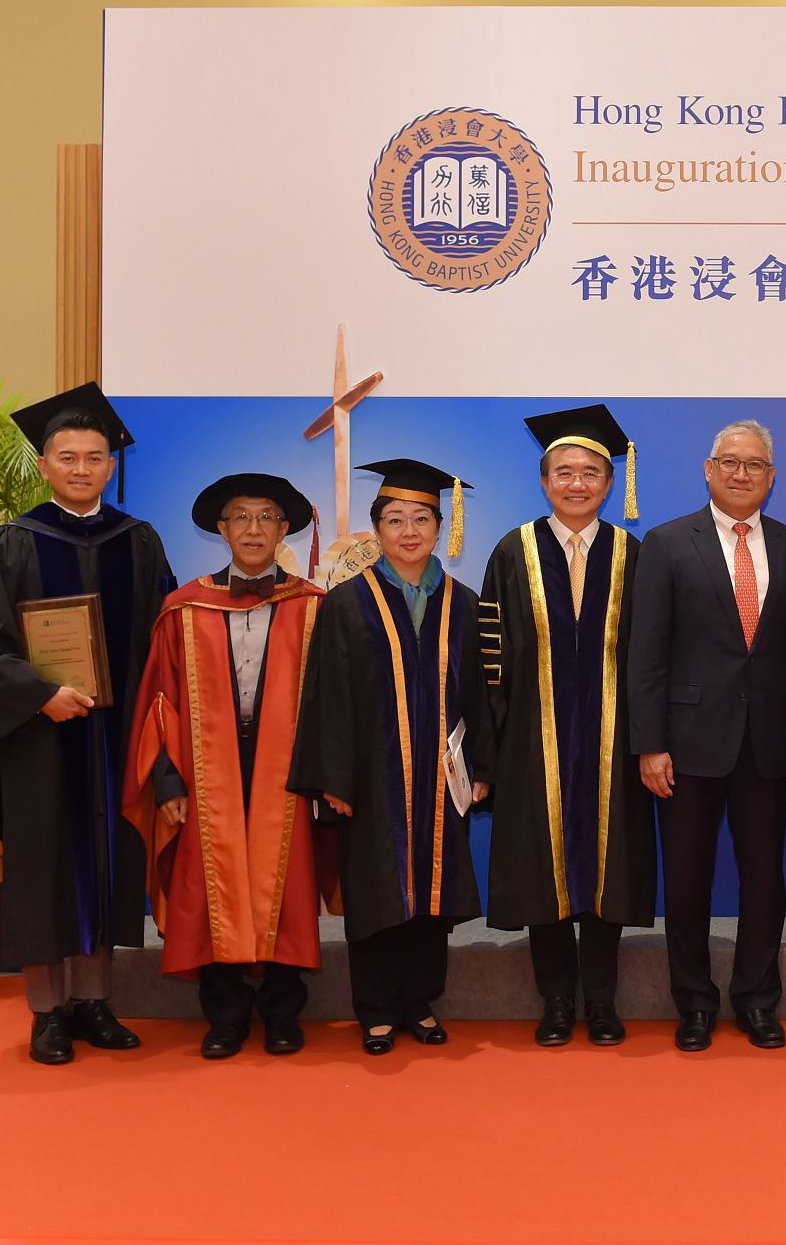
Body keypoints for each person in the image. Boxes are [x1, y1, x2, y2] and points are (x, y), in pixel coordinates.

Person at [0, 382, 173, 1065]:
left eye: (95, 456)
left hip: (114, 741)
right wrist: (40, 692)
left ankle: (95, 1001)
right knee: (45, 868)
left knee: (107, 863)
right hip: (39, 740)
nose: (82, 468)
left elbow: (167, 642)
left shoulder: (137, 542)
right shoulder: (11, 544)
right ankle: (47, 1012)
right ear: (44, 465)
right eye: (67, 456)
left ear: (112, 466)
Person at [288, 459, 491, 1055]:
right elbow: (324, 695)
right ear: (376, 528)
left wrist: (482, 769)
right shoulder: (347, 603)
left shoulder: (465, 601)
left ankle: (419, 1001)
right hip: (371, 780)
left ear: (439, 527)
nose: (409, 530)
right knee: (377, 893)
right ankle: (375, 1008)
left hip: (440, 779)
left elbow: (482, 696)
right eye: (395, 518)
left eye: (422, 518)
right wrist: (334, 777)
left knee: (432, 897)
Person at [123, 473, 326, 1059]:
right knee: (208, 884)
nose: (255, 529)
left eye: (267, 517)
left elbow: (333, 704)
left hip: (287, 767)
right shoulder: (183, 608)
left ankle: (284, 1013)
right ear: (222, 529)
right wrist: (166, 780)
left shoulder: (314, 607)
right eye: (241, 517)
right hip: (204, 765)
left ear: (284, 529)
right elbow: (158, 703)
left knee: (285, 882)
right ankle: (226, 1015)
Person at [629, 419, 786, 1052]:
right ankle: (695, 1004)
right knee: (686, 881)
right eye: (729, 462)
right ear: (708, 469)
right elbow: (645, 653)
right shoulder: (667, 542)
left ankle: (758, 1000)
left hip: (766, 743)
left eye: (754, 464)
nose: (741, 473)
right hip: (684, 743)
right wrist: (650, 743)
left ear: (771, 477)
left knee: (766, 880)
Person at [481, 404, 654, 1048]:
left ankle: (602, 1001)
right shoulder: (513, 549)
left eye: (590, 473)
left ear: (610, 485)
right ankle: (556, 1000)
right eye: (564, 472)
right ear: (544, 480)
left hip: (613, 741)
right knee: (543, 868)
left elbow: (648, 654)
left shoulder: (631, 553)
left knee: (608, 869)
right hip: (536, 742)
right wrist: (497, 748)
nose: (577, 484)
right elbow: (490, 658)